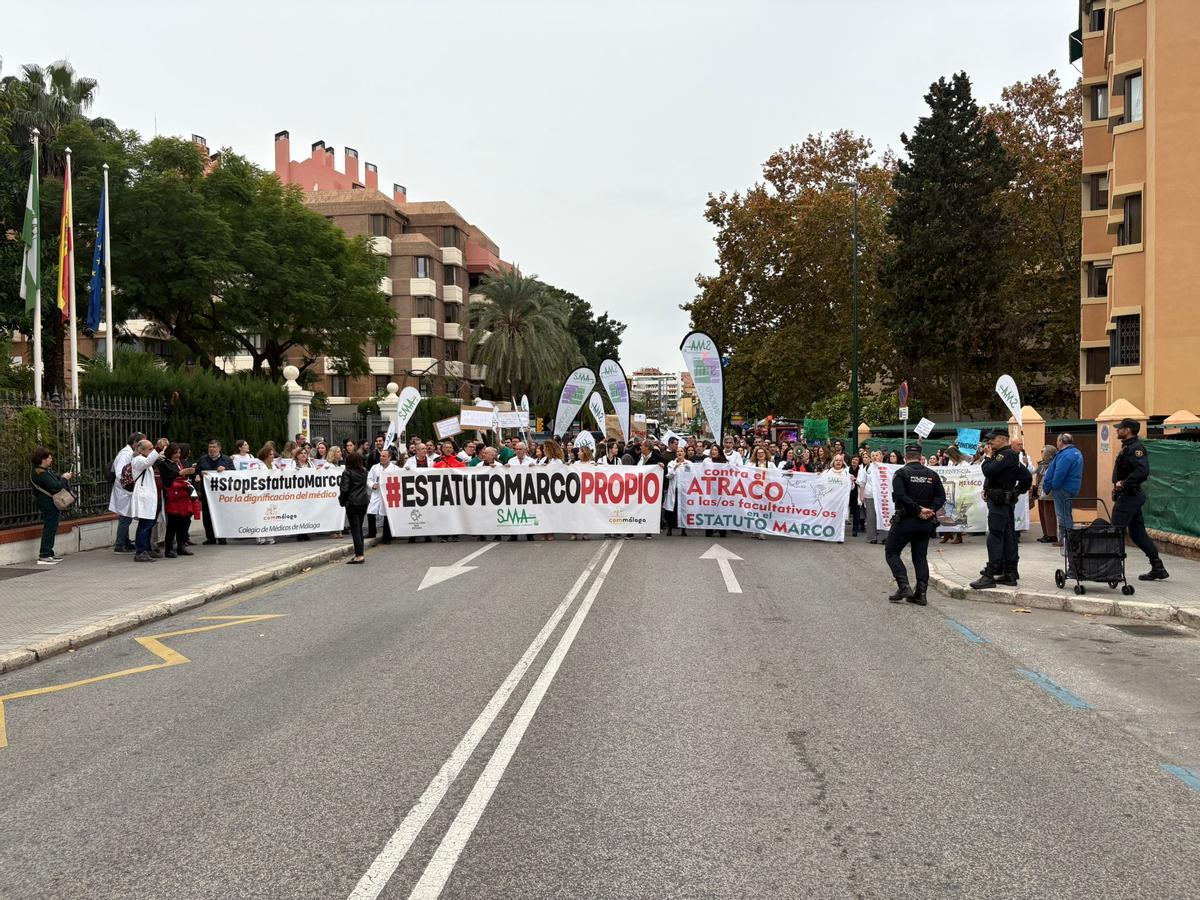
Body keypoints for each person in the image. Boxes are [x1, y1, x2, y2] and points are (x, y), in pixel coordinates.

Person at [884, 443, 946, 605]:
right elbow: (941, 497)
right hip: (925, 523)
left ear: (905, 457)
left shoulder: (901, 473)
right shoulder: (932, 474)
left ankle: (904, 586)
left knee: (891, 552)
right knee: (920, 557)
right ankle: (921, 593)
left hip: (906, 520)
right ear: (920, 456)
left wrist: (918, 510)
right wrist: (930, 510)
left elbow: (900, 495)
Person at [970, 430, 1031, 589]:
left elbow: (989, 470)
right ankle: (1009, 572)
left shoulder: (1005, 455)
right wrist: (1013, 492)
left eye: (992, 439)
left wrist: (1014, 492)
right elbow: (1024, 476)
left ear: (1003, 439)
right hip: (1001, 500)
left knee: (996, 536)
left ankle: (990, 574)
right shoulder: (1007, 455)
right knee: (1008, 536)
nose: (989, 442)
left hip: (1000, 502)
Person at [1111, 418, 1169, 581]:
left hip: (1130, 496)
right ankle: (1158, 567)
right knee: (1137, 534)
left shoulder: (1136, 448)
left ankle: (1112, 569)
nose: (1117, 430)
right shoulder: (1128, 446)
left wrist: (1125, 483)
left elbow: (1143, 471)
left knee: (1115, 530)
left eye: (1120, 428)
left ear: (1128, 430)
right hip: (1130, 496)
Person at [30, 447, 74, 566]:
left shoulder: (45, 470)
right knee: (50, 527)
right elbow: (56, 486)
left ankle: (49, 552)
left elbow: (54, 479)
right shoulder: (40, 472)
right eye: (49, 458)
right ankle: (44, 554)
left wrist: (62, 476)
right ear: (42, 459)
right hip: (47, 502)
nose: (51, 460)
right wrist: (64, 479)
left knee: (52, 526)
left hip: (49, 502)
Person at [1041, 433, 1083, 547]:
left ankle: (1065, 539)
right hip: (1072, 486)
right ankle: (1068, 538)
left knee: (1062, 514)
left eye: (1057, 441)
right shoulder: (1076, 452)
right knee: (1067, 513)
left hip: (1063, 488)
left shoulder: (1065, 455)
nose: (1056, 443)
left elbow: (1060, 473)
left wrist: (1052, 486)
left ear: (1061, 441)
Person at [156, 444, 196, 558]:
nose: (177, 455)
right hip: (173, 497)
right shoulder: (163, 464)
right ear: (169, 453)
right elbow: (166, 478)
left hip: (183, 496)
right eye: (175, 453)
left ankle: (181, 545)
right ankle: (169, 549)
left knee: (185, 521)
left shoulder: (179, 463)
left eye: (179, 453)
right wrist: (180, 473)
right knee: (173, 524)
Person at [107, 432, 144, 553]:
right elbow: (120, 473)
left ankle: (126, 541)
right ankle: (120, 544)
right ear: (134, 444)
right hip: (124, 490)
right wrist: (130, 483)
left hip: (126, 489)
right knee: (125, 517)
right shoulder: (125, 454)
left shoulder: (130, 453)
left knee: (127, 516)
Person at [194, 439, 232, 546]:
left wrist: (225, 469)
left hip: (222, 493)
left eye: (214, 447)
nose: (211, 449)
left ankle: (222, 537)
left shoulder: (226, 459)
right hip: (207, 493)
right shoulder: (202, 459)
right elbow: (196, 472)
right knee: (207, 515)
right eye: (210, 447)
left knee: (222, 515)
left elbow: (234, 472)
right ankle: (210, 538)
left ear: (219, 448)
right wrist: (200, 473)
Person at [128, 439, 161, 562]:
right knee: (144, 525)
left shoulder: (145, 459)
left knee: (149, 524)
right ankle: (140, 551)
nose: (152, 450)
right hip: (144, 497)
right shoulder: (138, 460)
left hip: (149, 497)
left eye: (153, 448)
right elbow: (148, 461)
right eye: (150, 448)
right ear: (141, 450)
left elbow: (155, 458)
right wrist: (157, 449)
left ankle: (147, 549)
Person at [339, 450, 369, 564]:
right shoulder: (364, 471)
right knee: (359, 528)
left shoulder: (347, 473)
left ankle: (359, 555)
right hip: (363, 502)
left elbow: (344, 489)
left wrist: (342, 501)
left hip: (352, 503)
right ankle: (360, 553)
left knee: (355, 529)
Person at [402, 442, 434, 544]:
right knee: (414, 513)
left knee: (427, 513)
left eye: (425, 448)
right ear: (417, 451)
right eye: (422, 449)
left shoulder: (431, 461)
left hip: (426, 491)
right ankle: (412, 535)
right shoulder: (410, 462)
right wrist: (406, 470)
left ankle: (427, 534)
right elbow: (402, 473)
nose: (425, 450)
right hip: (413, 491)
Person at [366, 447, 397, 545]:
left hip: (389, 494)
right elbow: (369, 479)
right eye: (381, 456)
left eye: (384, 456)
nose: (381, 458)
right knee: (370, 512)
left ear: (389, 457)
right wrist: (372, 485)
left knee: (387, 515)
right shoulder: (375, 467)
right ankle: (372, 532)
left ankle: (387, 537)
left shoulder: (395, 469)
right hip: (376, 493)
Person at [1033, 444, 1058, 544]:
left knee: (1049, 513)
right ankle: (1046, 533)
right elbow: (1034, 472)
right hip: (1040, 490)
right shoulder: (1041, 464)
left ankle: (1052, 534)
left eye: (1043, 451)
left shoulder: (1052, 464)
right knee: (1042, 512)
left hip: (1048, 491)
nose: (1042, 453)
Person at [664, 446, 689, 536]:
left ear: (684, 453)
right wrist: (675, 468)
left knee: (683, 510)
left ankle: (683, 530)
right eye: (678, 451)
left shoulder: (688, 464)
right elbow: (669, 476)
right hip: (674, 490)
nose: (679, 453)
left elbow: (692, 475)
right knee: (671, 510)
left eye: (681, 451)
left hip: (684, 491)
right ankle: (670, 529)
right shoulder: (671, 463)